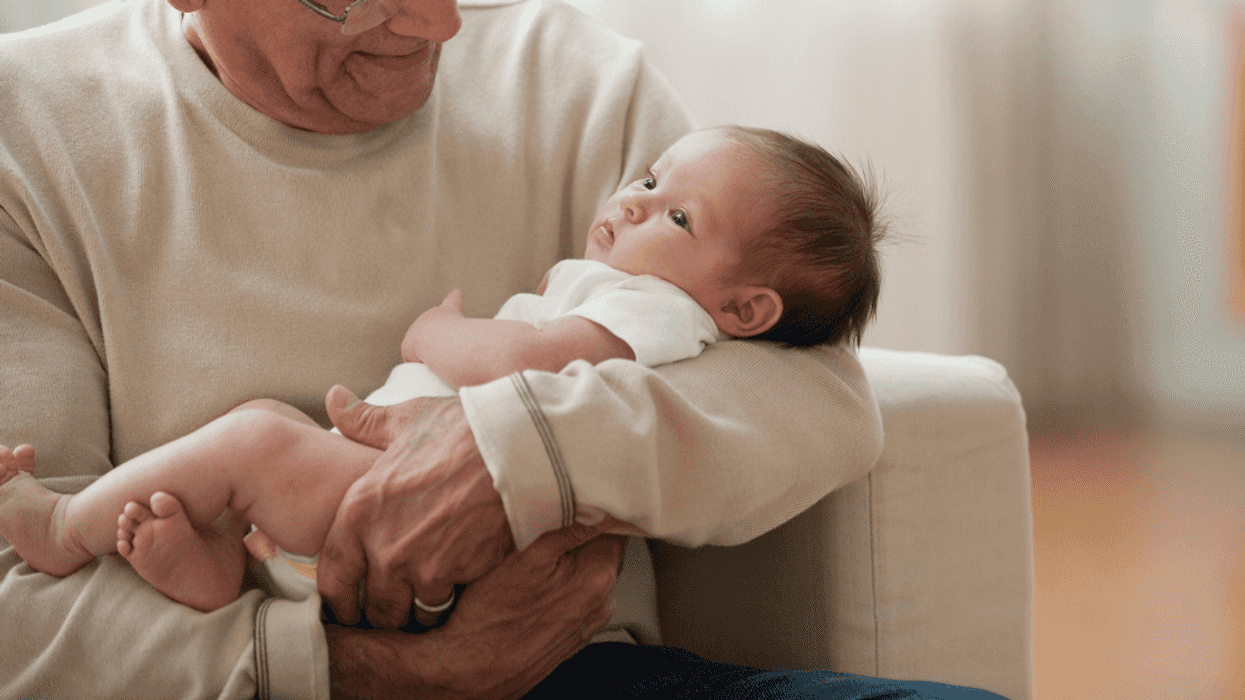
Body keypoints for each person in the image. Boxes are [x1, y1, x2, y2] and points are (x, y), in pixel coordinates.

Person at [0, 0, 1007, 697]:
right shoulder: (29, 128)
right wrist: (359, 675)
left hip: (582, 677)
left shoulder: (578, 84)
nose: (440, 24)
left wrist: (520, 457)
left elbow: (818, 404)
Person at [0, 124, 881, 615]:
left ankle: (68, 525)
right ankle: (226, 575)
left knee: (257, 436)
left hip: (397, 506)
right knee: (260, 454)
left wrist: (432, 334)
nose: (635, 199)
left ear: (746, 311)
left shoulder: (654, 310)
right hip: (383, 511)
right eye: (650, 178)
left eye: (677, 215)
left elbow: (519, 361)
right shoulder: (645, 299)